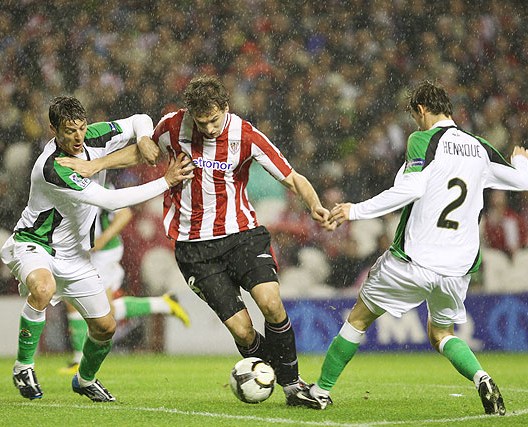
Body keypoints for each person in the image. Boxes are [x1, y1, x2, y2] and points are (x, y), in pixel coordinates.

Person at [56, 75, 331, 408]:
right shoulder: (173, 127)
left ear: (225, 108)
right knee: (243, 331)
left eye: (214, 120)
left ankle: (292, 386)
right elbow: (143, 153)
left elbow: (292, 178)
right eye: (201, 123)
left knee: (271, 303)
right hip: (195, 249)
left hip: (242, 236)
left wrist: (315, 206)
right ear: (190, 114)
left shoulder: (245, 135)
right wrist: (95, 165)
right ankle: (279, 373)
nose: (209, 128)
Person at [301, 81, 528, 415]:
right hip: (458, 268)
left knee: (359, 318)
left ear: (421, 110)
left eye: (414, 117)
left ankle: (320, 391)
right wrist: (521, 161)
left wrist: (356, 210)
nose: (415, 124)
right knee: (441, 334)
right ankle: (480, 376)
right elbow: (522, 181)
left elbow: (410, 188)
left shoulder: (422, 140)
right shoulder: (479, 146)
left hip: (415, 259)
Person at [0, 96, 194, 402]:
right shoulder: (53, 167)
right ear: (53, 130)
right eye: (69, 131)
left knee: (105, 328)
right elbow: (110, 201)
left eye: (81, 128)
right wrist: (166, 181)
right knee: (43, 288)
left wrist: (144, 137)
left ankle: (85, 379)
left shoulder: (93, 135)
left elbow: (139, 119)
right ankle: (23, 366)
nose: (78, 137)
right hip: (35, 244)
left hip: (76, 256)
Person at [60, 181, 190, 375]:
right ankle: (79, 359)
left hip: (103, 254)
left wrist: (101, 240)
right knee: (73, 301)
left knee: (103, 311)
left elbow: (124, 214)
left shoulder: (101, 184)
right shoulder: (66, 181)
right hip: (80, 252)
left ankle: (163, 305)